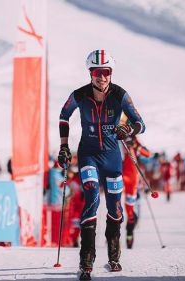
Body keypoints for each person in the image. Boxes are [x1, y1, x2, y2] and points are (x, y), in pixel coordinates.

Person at [57, 49, 146, 278]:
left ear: (111, 73)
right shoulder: (80, 94)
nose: (102, 77)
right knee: (92, 197)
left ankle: (114, 257)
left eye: (106, 72)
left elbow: (140, 123)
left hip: (112, 158)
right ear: (90, 73)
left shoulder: (120, 95)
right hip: (88, 155)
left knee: (115, 207)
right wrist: (64, 146)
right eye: (97, 72)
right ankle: (86, 261)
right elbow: (64, 115)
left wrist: (127, 129)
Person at [121, 132, 150, 249]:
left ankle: (129, 233)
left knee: (130, 209)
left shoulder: (134, 139)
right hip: (118, 174)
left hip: (132, 178)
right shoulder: (113, 135)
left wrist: (136, 146)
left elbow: (147, 153)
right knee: (114, 206)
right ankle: (112, 236)